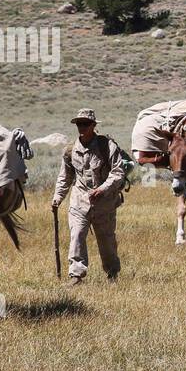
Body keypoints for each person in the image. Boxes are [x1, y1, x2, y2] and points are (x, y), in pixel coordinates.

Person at [51, 108, 125, 285]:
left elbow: (118, 172)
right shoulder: (70, 150)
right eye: (79, 124)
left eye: (85, 124)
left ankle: (112, 273)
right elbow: (65, 177)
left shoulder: (107, 146)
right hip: (79, 201)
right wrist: (57, 197)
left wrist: (103, 189)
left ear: (93, 125)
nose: (82, 127)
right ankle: (76, 275)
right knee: (76, 235)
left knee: (106, 240)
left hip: (104, 203)